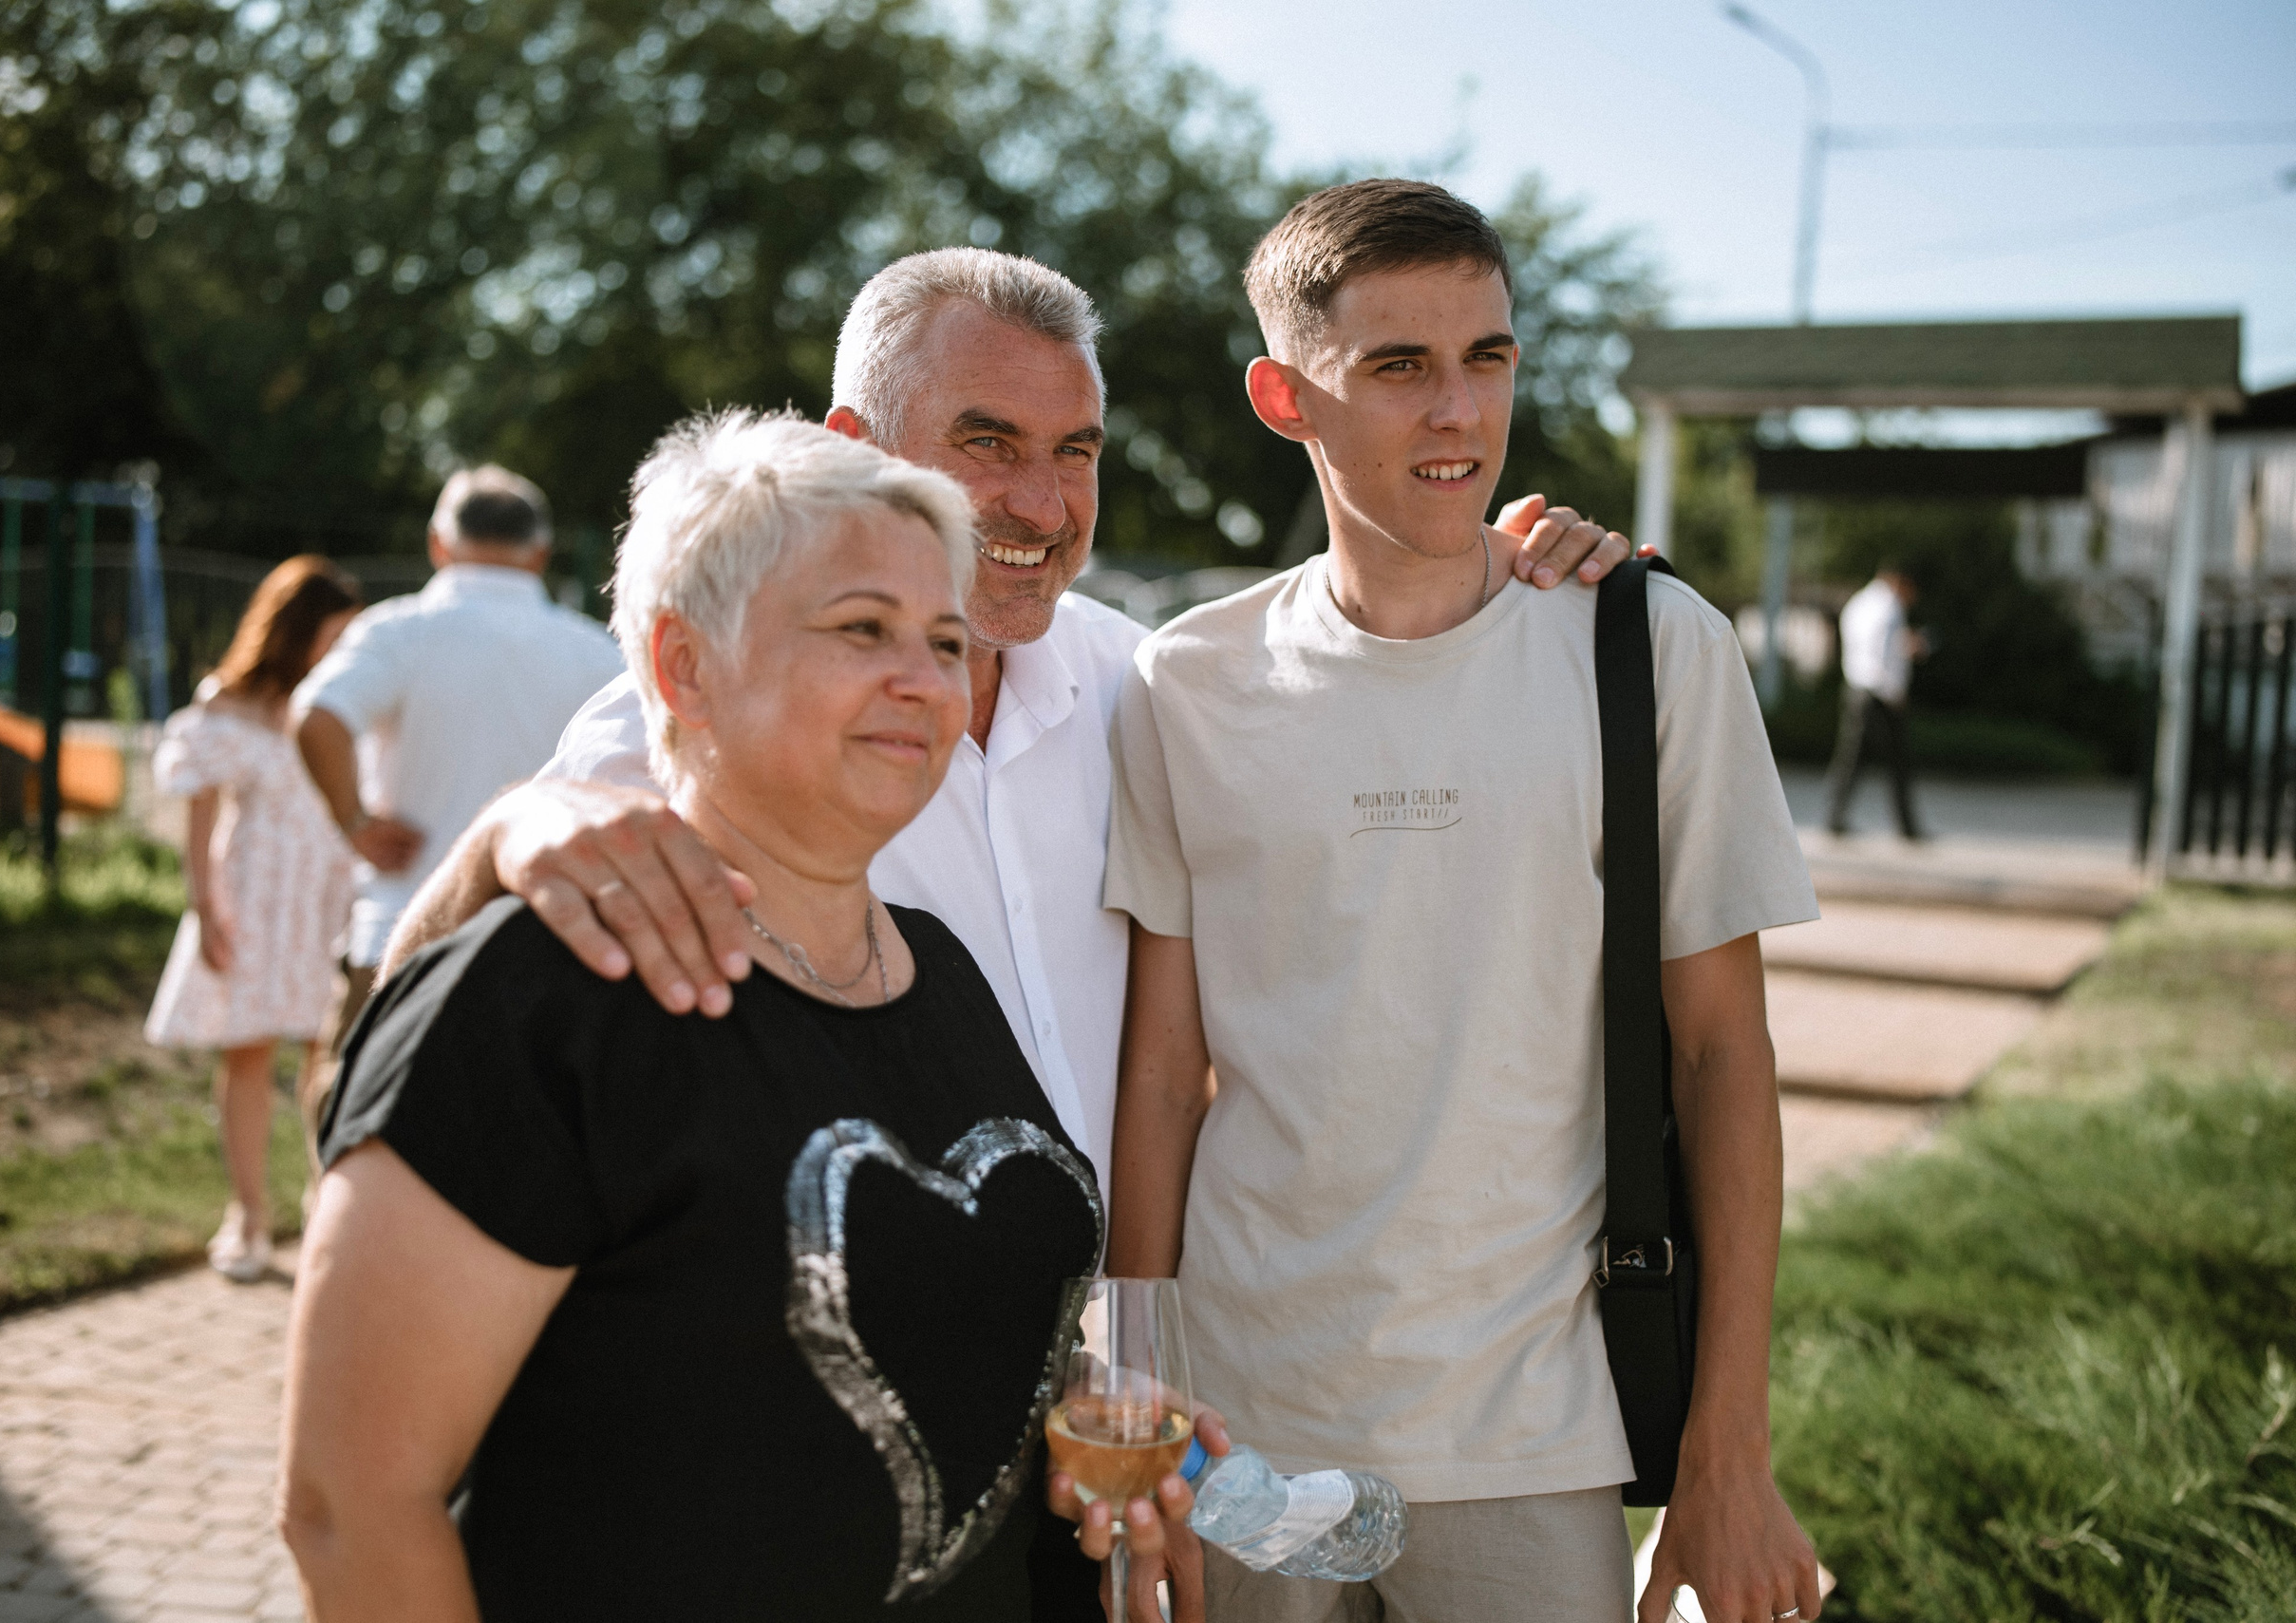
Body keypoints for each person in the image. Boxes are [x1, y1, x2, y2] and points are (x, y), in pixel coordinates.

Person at [378, 247, 1634, 1620]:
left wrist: (1503, 557)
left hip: (1098, 1416)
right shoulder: (700, 714)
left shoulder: (1134, 682)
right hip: (794, 1414)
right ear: (854, 450)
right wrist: (510, 835)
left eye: (1076, 450)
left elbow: (1361, 657)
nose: (1042, 504)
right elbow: (414, 1054)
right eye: (987, 444)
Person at [281, 411, 1162, 1621]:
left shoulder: (941, 972)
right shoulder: (549, 993)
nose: (924, 679)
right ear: (683, 664)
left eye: (946, 640)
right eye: (863, 629)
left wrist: (1082, 1432)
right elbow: (351, 1504)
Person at [1101, 179, 1824, 1623]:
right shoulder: (1186, 681)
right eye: (1398, 367)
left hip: (1533, 1429)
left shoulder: (1650, 648)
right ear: (1282, 394)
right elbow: (1166, 1073)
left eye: (1486, 358)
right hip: (1250, 1428)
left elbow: (1724, 1057)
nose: (1459, 413)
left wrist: (1726, 1451)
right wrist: (1134, 1405)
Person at [289, 465, 623, 1155]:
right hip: (556, 934)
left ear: (440, 544)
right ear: (540, 552)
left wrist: (355, 822)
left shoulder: (400, 632)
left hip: (403, 927)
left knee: (352, 1107)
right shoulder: (597, 650)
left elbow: (317, 717)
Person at [144, 556, 362, 1282]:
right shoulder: (226, 705)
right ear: (293, 631)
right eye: (331, 633)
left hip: (331, 897)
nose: (340, 649)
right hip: (255, 897)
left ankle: (320, 1209)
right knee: (248, 1052)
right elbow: (199, 822)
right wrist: (206, 907)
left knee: (327, 1055)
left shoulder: (345, 706)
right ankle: (248, 1215)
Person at [1824, 565, 1926, 840]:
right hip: (1879, 694)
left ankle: (1834, 818)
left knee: (1850, 759)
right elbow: (1880, 656)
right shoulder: (1888, 607)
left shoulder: (1859, 602)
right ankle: (1907, 828)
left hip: (1856, 689)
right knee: (1898, 762)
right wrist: (1895, 692)